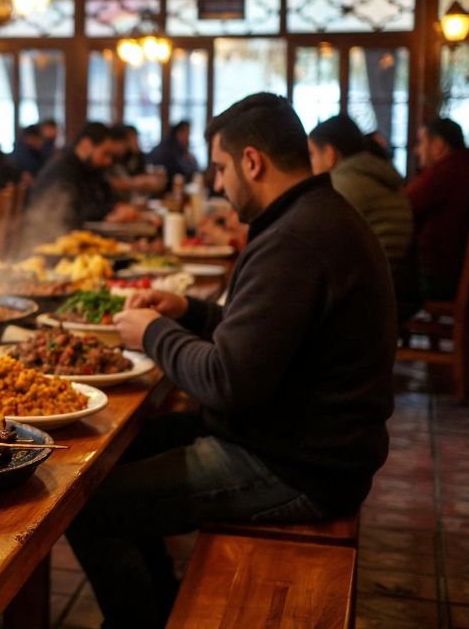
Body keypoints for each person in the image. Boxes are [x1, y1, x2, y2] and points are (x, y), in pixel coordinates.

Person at [72, 93, 395, 627]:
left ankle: (140, 619)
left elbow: (226, 380)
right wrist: (190, 310)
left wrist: (153, 331)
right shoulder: (313, 216)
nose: (218, 185)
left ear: (252, 161)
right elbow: (263, 340)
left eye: (221, 169)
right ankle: (159, 598)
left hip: (298, 466)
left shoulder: (297, 238)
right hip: (289, 434)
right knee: (109, 455)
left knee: (85, 505)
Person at [308, 114, 414, 280]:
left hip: (368, 288)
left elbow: (308, 238)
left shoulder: (340, 186)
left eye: (311, 154)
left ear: (329, 155)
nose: (309, 164)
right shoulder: (379, 175)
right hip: (398, 283)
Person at [406, 118, 469, 300]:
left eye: (421, 143)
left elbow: (401, 206)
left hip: (438, 277)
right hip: (450, 272)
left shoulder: (445, 175)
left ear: (439, 145)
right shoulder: (465, 168)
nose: (417, 151)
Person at [28, 121, 126, 232]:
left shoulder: (89, 168)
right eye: (105, 154)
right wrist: (112, 210)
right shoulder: (64, 168)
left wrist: (118, 206)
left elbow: (103, 193)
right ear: (86, 144)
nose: (108, 161)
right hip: (49, 236)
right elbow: (73, 211)